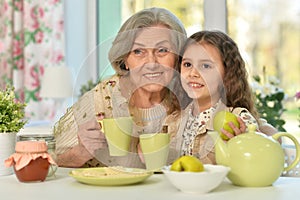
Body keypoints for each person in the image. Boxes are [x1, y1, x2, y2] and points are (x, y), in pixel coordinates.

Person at [53, 7, 189, 168]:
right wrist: (80, 153)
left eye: (162, 50)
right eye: (138, 51)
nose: (151, 63)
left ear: (178, 56)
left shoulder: (191, 98)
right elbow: (50, 163)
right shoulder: (99, 101)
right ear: (125, 59)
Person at [171, 30, 277, 164]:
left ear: (227, 74)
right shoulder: (173, 120)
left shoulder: (239, 120)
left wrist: (243, 143)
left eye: (205, 66)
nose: (193, 73)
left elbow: (259, 160)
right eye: (187, 64)